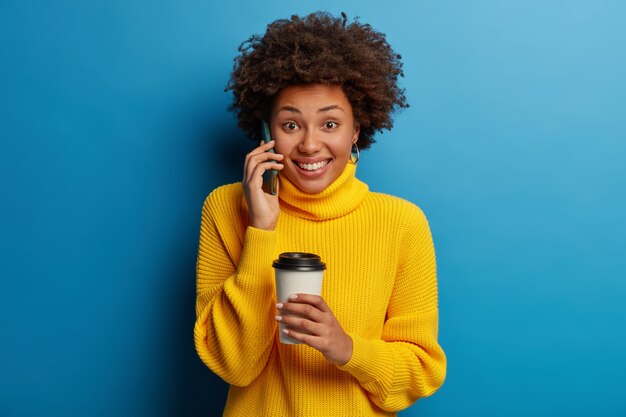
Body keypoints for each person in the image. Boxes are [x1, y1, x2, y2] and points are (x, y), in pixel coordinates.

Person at [194, 11, 446, 416]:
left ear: (356, 130)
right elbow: (233, 366)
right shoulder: (226, 209)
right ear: (266, 131)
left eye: (329, 123)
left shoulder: (402, 223)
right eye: (291, 125)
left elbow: (420, 371)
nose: (310, 145)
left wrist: (345, 349)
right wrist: (262, 229)